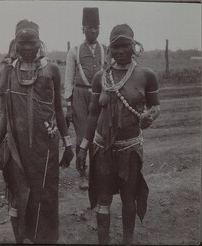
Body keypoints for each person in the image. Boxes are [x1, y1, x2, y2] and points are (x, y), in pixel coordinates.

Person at [0, 19, 73, 244]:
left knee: (45, 197)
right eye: (21, 43)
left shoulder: (51, 70)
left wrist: (68, 143)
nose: (26, 47)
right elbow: (6, 114)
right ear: (15, 44)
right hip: (16, 147)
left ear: (39, 43)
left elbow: (58, 111)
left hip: (45, 149)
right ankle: (20, 240)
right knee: (18, 195)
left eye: (31, 42)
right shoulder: (8, 72)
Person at [77, 24, 160, 245]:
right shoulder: (100, 78)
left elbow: (155, 107)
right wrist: (83, 147)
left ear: (134, 46)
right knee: (103, 199)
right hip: (102, 149)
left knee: (128, 198)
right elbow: (93, 114)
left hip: (130, 148)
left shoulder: (147, 76)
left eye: (125, 46)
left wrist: (150, 117)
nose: (121, 51)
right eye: (116, 47)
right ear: (110, 49)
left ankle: (128, 241)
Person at [64, 7, 107, 190]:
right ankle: (82, 174)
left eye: (96, 27)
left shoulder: (106, 50)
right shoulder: (74, 51)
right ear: (83, 28)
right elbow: (68, 80)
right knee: (83, 136)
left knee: (100, 136)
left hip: (100, 97)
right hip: (80, 97)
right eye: (90, 27)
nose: (94, 31)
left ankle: (98, 174)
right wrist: (69, 105)